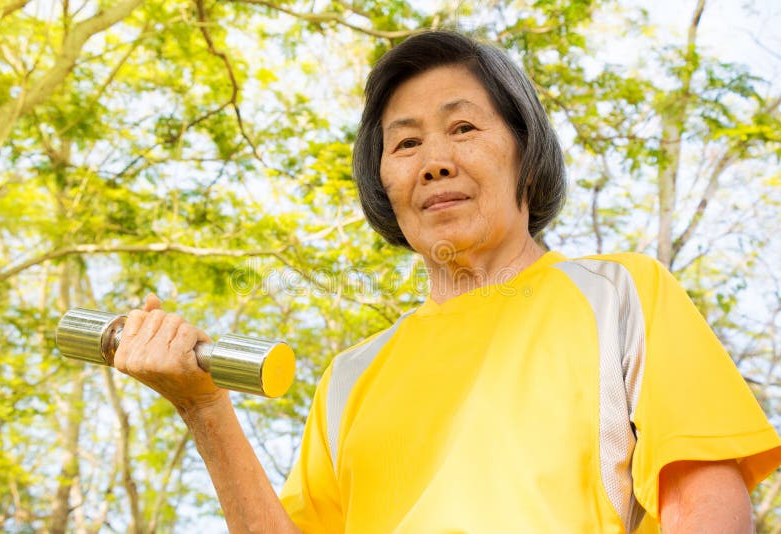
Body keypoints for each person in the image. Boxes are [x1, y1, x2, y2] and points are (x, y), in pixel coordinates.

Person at [113, 31, 781, 533]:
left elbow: (703, 502)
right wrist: (204, 409)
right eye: (404, 145)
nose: (434, 161)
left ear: (525, 151)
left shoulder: (622, 295)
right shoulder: (350, 378)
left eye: (462, 128)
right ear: (384, 183)